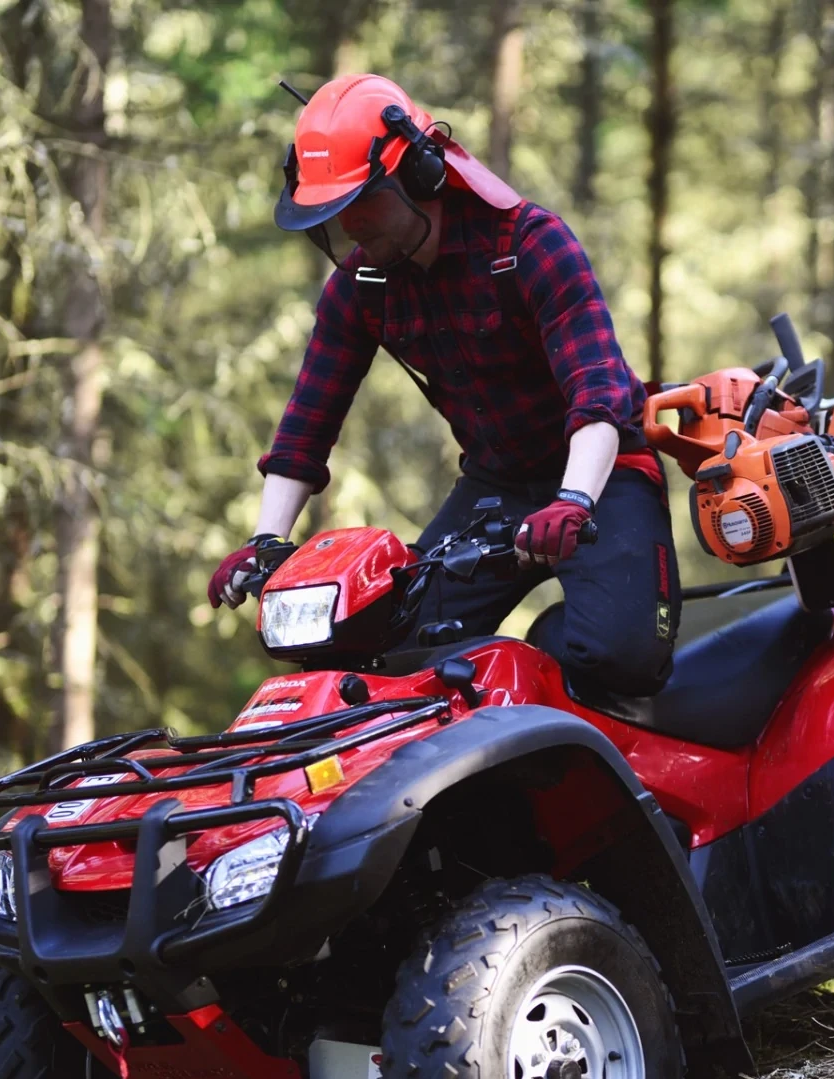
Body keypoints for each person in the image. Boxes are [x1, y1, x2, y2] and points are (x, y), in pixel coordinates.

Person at [208, 74, 679, 696]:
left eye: (362, 201)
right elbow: (305, 427)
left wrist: (573, 500)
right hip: (496, 483)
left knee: (618, 659)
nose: (348, 225)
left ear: (420, 176)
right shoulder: (362, 284)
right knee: (395, 648)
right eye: (332, 209)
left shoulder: (531, 246)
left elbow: (599, 398)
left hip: (602, 474)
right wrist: (265, 540)